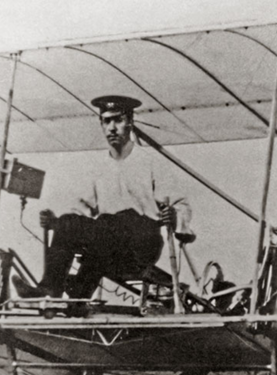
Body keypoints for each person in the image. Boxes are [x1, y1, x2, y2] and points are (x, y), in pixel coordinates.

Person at [12, 95, 195, 299]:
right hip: (108, 240)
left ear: (130, 122)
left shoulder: (150, 161)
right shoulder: (99, 167)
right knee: (72, 222)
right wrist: (57, 223)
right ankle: (53, 290)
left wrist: (175, 217)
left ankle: (78, 292)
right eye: (106, 121)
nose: (112, 128)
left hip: (142, 243)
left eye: (118, 120)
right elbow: (80, 210)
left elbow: (181, 204)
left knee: (108, 224)